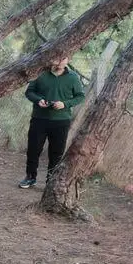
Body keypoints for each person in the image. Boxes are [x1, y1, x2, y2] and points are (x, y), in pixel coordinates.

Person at [19, 55, 85, 189]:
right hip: (39, 119)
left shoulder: (73, 77)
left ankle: (50, 181)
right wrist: (38, 100)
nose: (60, 61)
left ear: (69, 59)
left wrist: (64, 104)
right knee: (33, 150)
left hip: (61, 121)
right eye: (57, 57)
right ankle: (30, 177)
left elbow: (80, 96)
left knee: (56, 153)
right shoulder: (41, 74)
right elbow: (29, 92)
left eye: (63, 58)